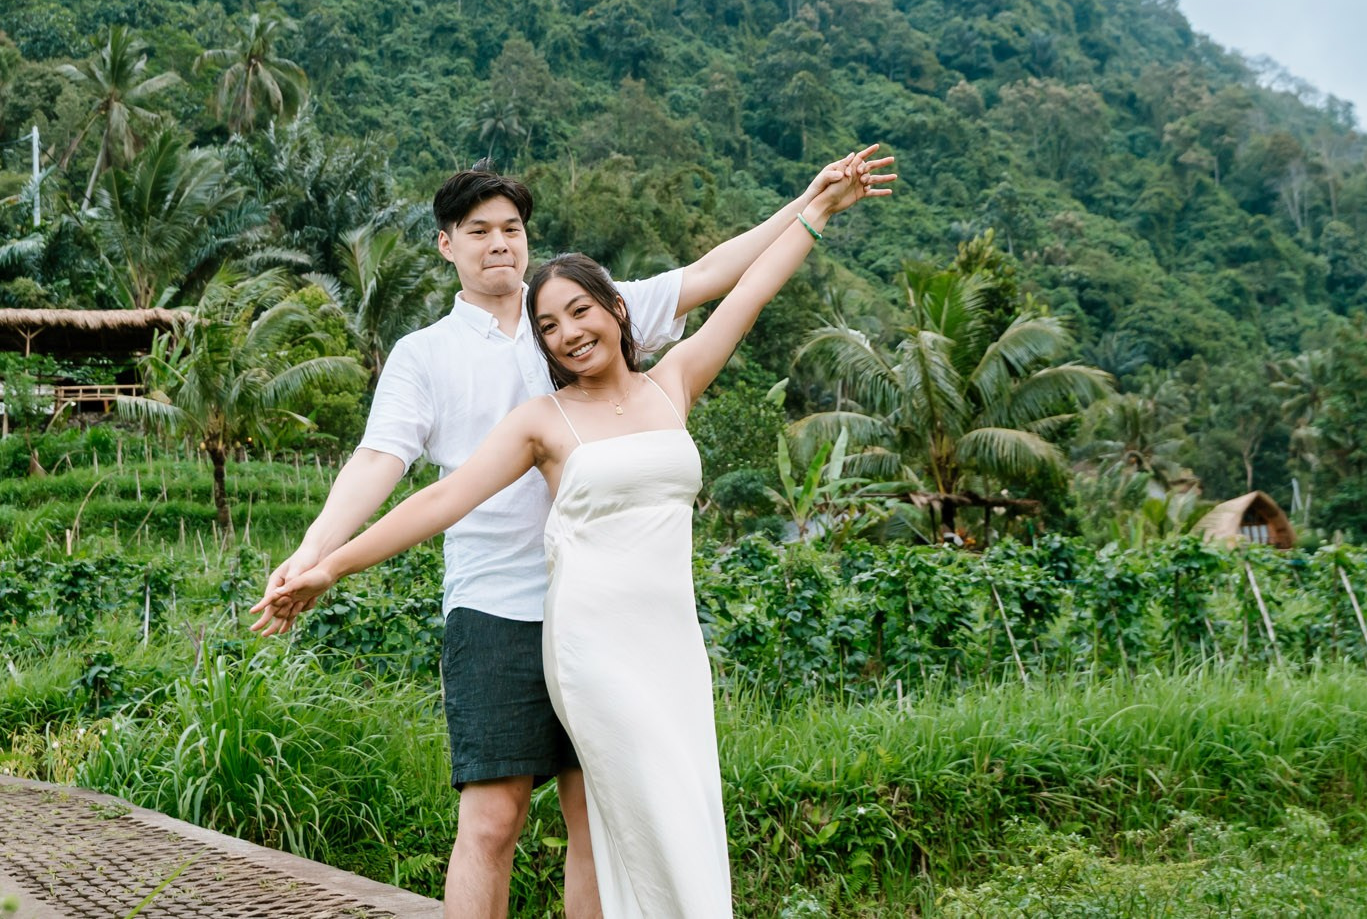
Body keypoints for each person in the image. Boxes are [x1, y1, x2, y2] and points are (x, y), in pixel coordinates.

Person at [250, 151, 889, 919]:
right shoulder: (432, 356)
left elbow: (730, 279)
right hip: (497, 605)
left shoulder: (582, 310)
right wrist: (320, 554)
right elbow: (400, 473)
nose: (499, 243)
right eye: (478, 230)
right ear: (446, 243)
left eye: (511, 227)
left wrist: (811, 203)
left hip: (637, 628)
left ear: (613, 311)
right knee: (493, 819)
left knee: (603, 823)